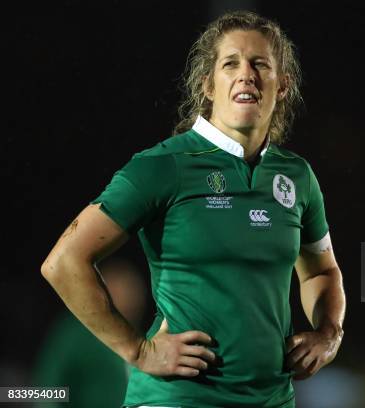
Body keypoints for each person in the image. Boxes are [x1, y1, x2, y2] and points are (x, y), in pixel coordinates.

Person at [41, 10, 346, 408]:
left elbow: (322, 271)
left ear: (282, 85)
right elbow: (63, 262)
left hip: (273, 400)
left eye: (260, 64)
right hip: (179, 399)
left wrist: (329, 333)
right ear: (207, 84)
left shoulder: (296, 176)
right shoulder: (163, 166)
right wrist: (139, 351)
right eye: (230, 63)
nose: (246, 74)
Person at [32, 258, 147, 408]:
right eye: (121, 291)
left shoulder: (143, 338)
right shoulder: (76, 333)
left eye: (134, 291)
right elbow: (48, 385)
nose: (131, 299)